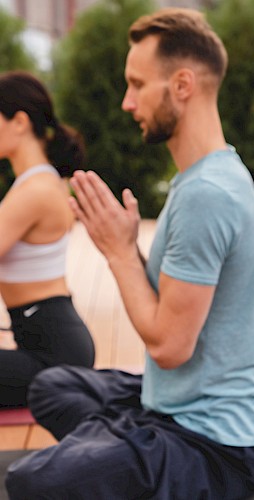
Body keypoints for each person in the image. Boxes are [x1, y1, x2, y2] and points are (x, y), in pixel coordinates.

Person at [5, 8, 254, 499]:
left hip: (216, 444)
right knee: (52, 387)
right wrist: (128, 248)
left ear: (181, 85)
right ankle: (119, 442)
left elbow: (171, 348)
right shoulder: (203, 178)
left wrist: (118, 254)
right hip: (171, 402)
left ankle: (120, 445)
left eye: (136, 84)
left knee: (30, 482)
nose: (127, 102)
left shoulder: (207, 194)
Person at [0, 71, 95, 408]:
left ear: (19, 122)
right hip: (48, 343)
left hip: (54, 357)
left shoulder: (36, 190)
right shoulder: (40, 183)